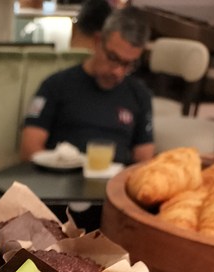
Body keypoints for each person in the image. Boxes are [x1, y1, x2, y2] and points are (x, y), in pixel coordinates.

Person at [20, 6, 154, 166]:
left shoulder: (139, 95)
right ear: (98, 42)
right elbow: (29, 150)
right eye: (113, 58)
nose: (118, 72)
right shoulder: (56, 85)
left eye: (128, 64)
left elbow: (144, 161)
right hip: (62, 174)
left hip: (115, 177)